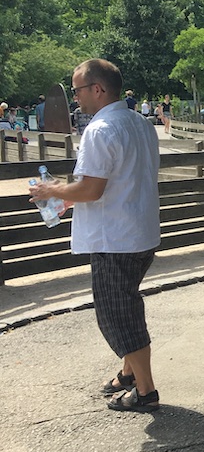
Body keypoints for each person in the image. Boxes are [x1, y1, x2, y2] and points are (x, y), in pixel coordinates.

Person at [28, 59, 162, 412]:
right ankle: (129, 373)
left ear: (97, 89)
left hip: (114, 238)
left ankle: (146, 391)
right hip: (140, 230)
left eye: (77, 90)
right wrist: (70, 195)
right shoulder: (141, 123)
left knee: (118, 314)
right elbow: (119, 181)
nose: (75, 98)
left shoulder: (100, 130)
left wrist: (53, 190)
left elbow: (91, 189)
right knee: (127, 303)